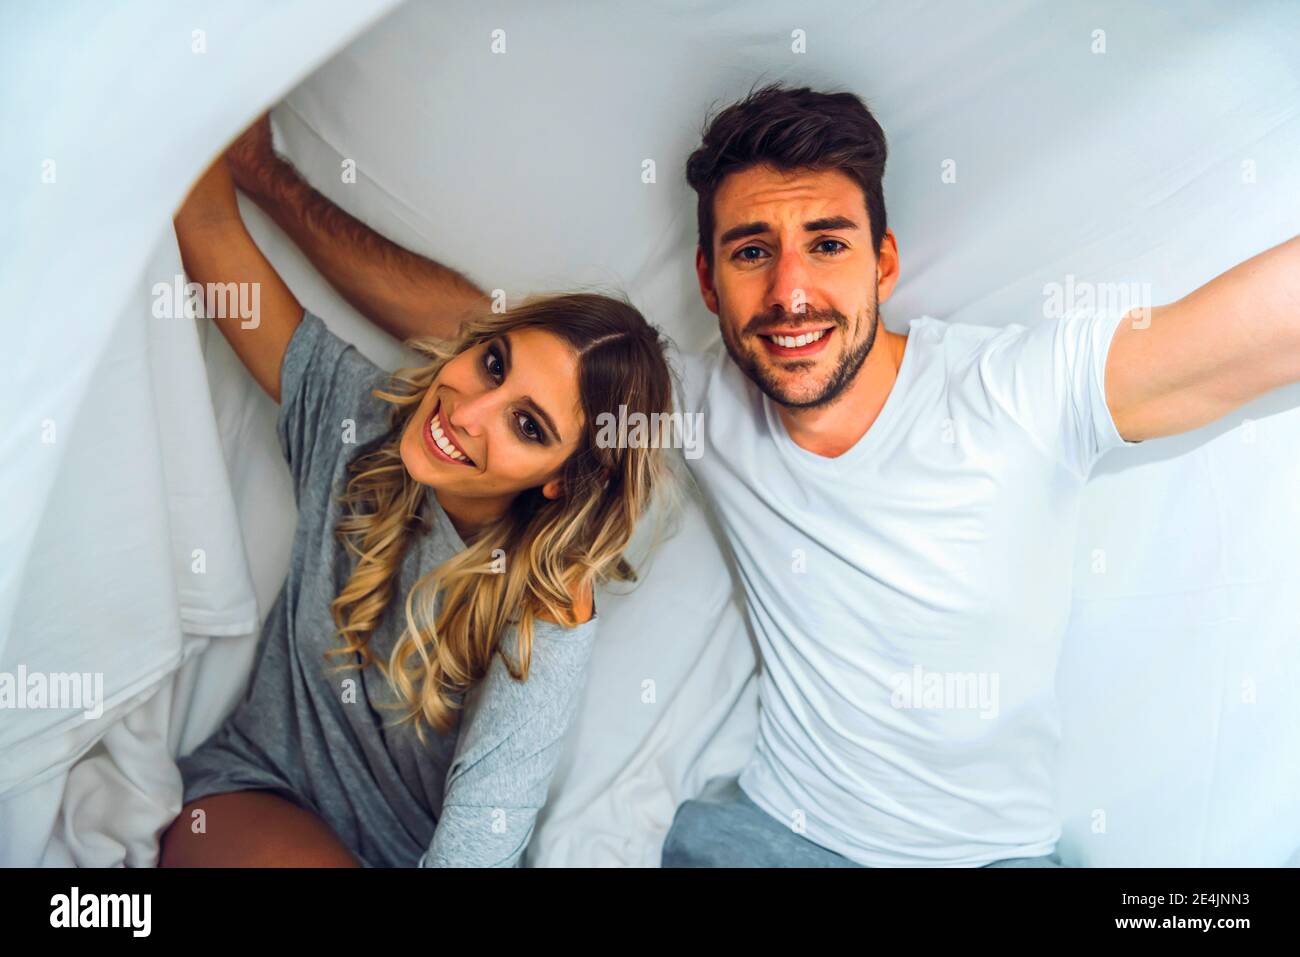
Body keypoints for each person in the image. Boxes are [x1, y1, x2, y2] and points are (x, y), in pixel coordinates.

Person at [207, 83, 1300, 869]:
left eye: (826, 244)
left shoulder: (1023, 391)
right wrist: (265, 177)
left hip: (988, 857)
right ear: (708, 279)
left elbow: (1261, 330)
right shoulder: (693, 404)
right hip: (760, 839)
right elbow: (489, 338)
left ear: (883, 260)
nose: (788, 293)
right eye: (749, 253)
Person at [158, 144, 674, 868]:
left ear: (559, 480)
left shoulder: (544, 613)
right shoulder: (356, 420)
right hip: (259, 797)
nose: (469, 412)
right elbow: (210, 228)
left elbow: (477, 844)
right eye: (493, 363)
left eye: (528, 426)